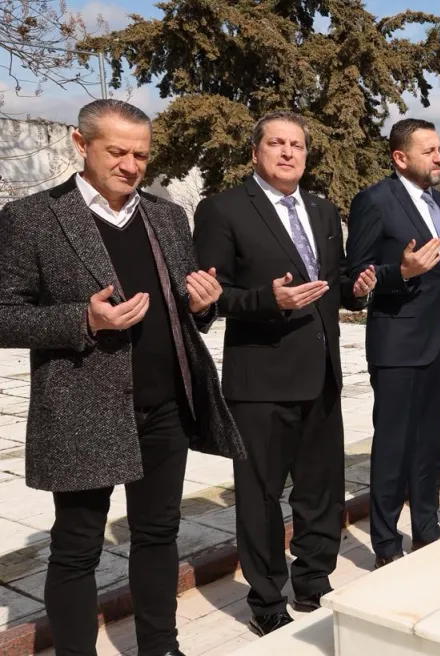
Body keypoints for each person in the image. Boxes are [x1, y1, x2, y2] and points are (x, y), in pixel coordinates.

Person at [0, 99, 244, 656]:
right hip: (82, 411)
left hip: (165, 408)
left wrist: (203, 303)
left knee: (158, 535)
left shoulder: (167, 217)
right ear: (80, 144)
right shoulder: (31, 218)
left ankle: (160, 646)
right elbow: (4, 315)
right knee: (77, 548)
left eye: (141, 155)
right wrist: (83, 319)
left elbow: (185, 308)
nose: (131, 166)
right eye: (117, 152)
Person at [193, 110, 375, 636]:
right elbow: (212, 295)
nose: (288, 152)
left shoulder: (322, 210)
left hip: (322, 375)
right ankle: (267, 598)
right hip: (261, 379)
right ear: (256, 152)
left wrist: (357, 290)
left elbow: (334, 283)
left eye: (297, 144)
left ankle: (313, 579)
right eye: (277, 143)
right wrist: (267, 300)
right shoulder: (223, 209)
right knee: (260, 495)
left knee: (320, 490)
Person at [344, 118, 440, 567]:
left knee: (431, 444)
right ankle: (386, 543)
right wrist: (401, 272)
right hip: (398, 344)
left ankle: (426, 528)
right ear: (400, 158)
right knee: (394, 446)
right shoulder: (375, 201)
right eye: (429, 151)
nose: (439, 158)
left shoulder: (439, 202)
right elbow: (356, 274)